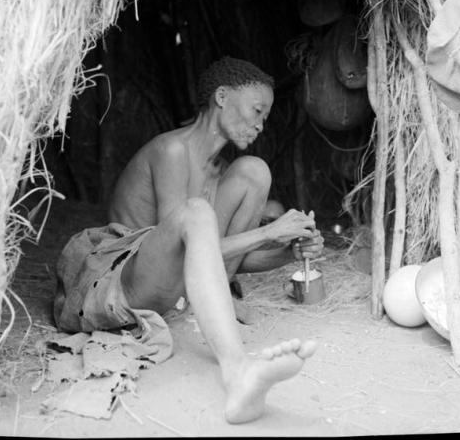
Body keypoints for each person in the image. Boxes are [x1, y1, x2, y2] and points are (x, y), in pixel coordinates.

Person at [55, 56, 324, 424]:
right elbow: (186, 246)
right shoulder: (172, 150)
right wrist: (268, 231)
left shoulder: (218, 171)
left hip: (177, 290)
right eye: (257, 110)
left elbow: (208, 260)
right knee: (198, 213)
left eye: (265, 116)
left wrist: (288, 253)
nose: (261, 124)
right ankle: (237, 370)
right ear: (222, 97)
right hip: (121, 283)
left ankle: (218, 306)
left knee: (254, 171)